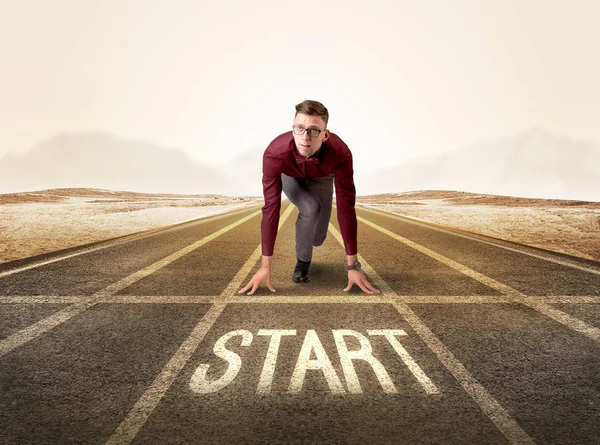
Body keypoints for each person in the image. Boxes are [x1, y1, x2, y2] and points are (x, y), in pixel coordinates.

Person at [238, 99, 380, 296]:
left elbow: (347, 206)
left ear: (325, 135)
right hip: (290, 175)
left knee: (318, 238)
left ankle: (311, 240)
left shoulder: (341, 153)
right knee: (311, 207)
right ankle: (302, 264)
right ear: (293, 128)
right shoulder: (274, 154)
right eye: (300, 128)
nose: (305, 136)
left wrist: (353, 267)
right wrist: (265, 267)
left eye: (313, 130)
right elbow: (271, 208)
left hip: (323, 176)